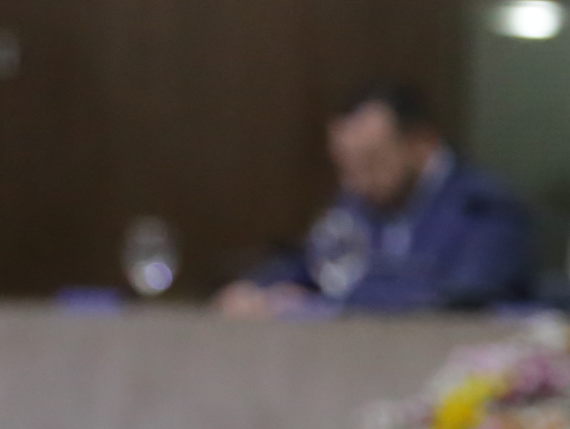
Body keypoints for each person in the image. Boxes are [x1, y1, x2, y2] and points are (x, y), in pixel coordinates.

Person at [219, 81, 535, 314]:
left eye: (371, 162)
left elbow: (459, 301)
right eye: (346, 167)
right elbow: (314, 262)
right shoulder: (359, 201)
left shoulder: (487, 208)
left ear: (422, 144)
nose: (354, 182)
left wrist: (320, 304)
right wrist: (258, 289)